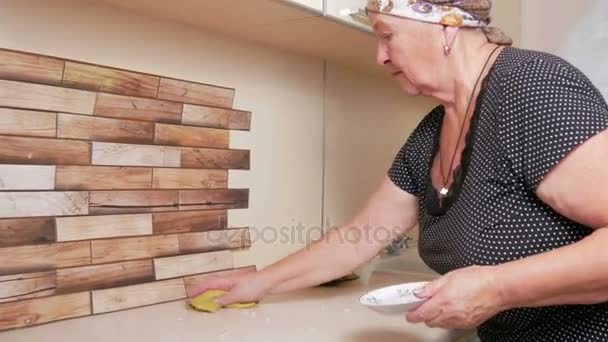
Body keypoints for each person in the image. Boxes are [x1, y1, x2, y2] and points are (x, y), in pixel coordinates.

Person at [193, 0, 608, 340]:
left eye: (387, 35)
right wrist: (259, 282)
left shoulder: (533, 88)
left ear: (446, 25)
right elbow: (357, 239)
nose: (380, 56)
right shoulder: (433, 130)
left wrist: (496, 288)